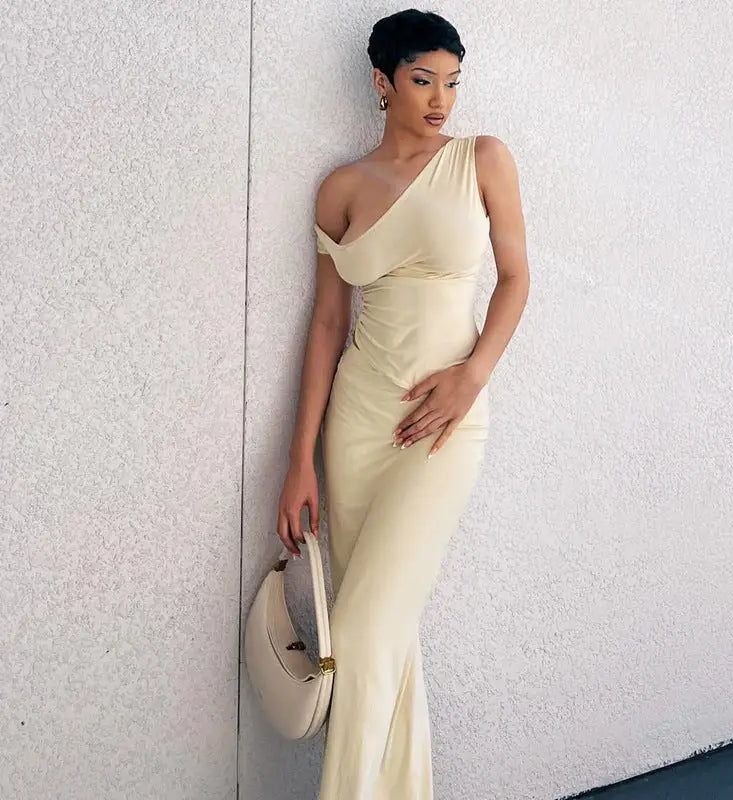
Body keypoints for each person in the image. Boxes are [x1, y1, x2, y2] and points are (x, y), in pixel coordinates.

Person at [275, 8, 529, 799]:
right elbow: (325, 323)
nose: (441, 100)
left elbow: (518, 282)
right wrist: (298, 461)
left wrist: (472, 375)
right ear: (383, 83)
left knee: (362, 630)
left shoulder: (483, 160)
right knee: (382, 643)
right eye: (423, 80)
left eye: (452, 82)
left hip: (445, 423)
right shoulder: (341, 188)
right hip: (355, 428)